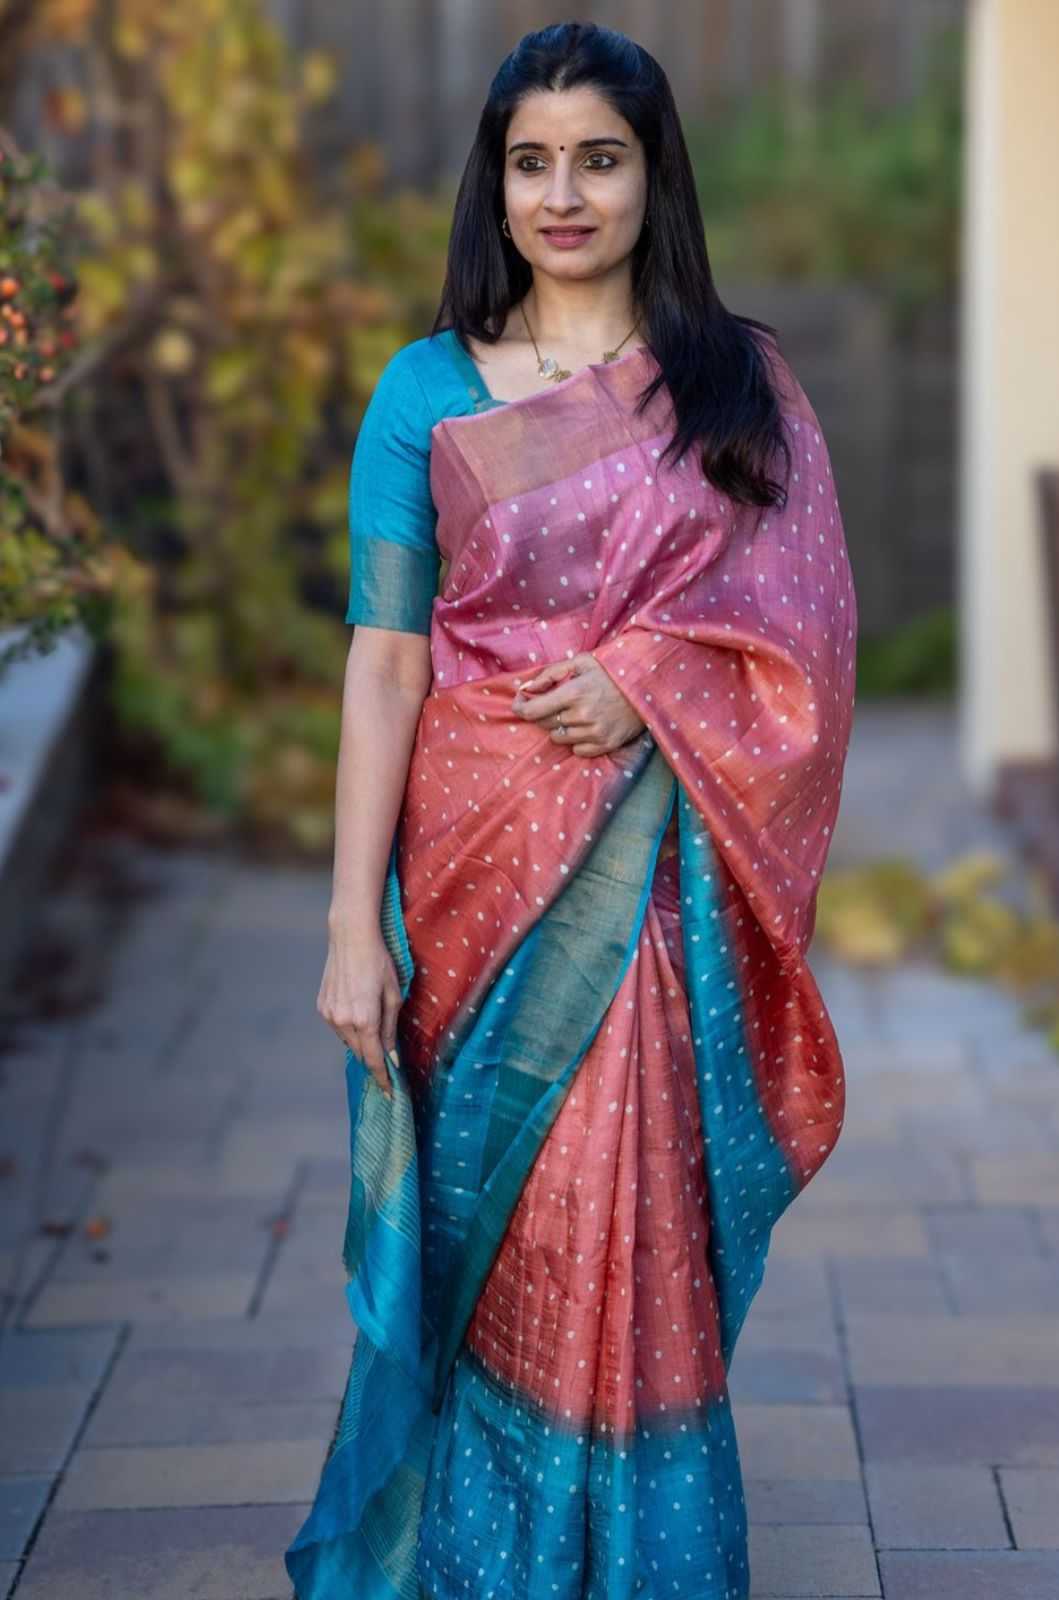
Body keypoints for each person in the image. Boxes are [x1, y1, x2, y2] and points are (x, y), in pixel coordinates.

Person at [285, 20, 857, 1600]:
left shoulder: (736, 385)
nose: (564, 193)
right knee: (489, 1241)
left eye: (598, 157)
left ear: (649, 175)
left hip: (644, 901)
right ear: (496, 181)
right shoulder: (420, 394)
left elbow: (803, 637)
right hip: (462, 880)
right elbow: (386, 660)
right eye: (532, 161)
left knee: (629, 1234)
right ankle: (474, 1566)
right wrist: (350, 927)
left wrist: (649, 684)